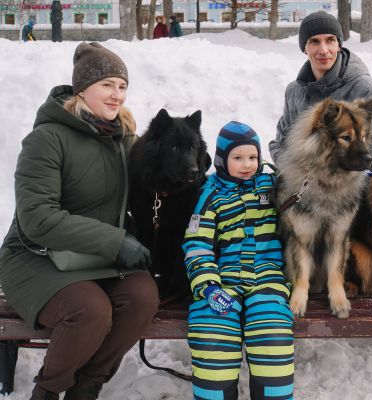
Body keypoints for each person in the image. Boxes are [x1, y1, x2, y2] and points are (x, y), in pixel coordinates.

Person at [0, 42, 159, 400]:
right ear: (82, 88)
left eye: (122, 87)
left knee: (142, 296)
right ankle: (48, 390)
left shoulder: (121, 138)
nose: (117, 95)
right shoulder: (46, 139)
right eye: (107, 85)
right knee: (89, 310)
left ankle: (87, 386)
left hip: (92, 258)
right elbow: (38, 218)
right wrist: (116, 243)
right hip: (35, 257)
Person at [183, 121, 294, 400]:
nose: (247, 164)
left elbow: (304, 184)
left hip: (267, 279)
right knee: (211, 333)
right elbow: (197, 243)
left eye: (253, 157)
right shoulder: (211, 193)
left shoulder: (271, 184)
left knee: (272, 332)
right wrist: (208, 286)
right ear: (222, 159)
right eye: (238, 157)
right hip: (225, 281)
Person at [269, 11, 372, 168]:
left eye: (330, 40)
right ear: (304, 48)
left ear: (339, 45)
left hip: (352, 185)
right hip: (301, 182)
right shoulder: (294, 91)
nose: (323, 50)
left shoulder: (364, 88)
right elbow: (280, 144)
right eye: (314, 41)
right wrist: (294, 172)